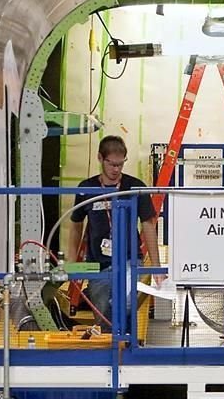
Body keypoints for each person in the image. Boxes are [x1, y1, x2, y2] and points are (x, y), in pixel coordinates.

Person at [67, 135, 163, 326]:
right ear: (100, 159)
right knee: (103, 317)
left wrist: (157, 266)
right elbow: (76, 226)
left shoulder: (134, 187)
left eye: (121, 164)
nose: (116, 169)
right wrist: (71, 264)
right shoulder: (86, 189)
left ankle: (125, 348)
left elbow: (148, 225)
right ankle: (109, 350)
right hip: (98, 265)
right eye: (112, 164)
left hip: (129, 261)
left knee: (124, 305)